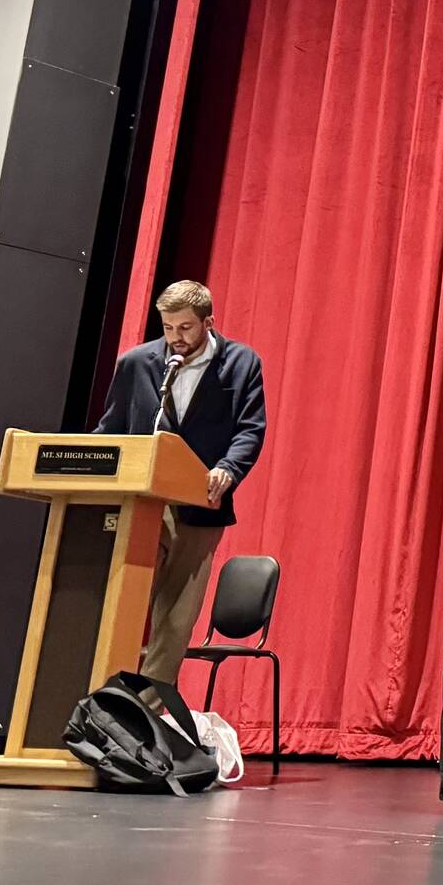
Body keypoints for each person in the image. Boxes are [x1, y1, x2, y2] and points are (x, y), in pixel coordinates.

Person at [93, 280, 267, 695]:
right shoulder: (137, 363)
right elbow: (111, 430)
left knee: (175, 618)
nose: (176, 338)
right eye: (168, 328)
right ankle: (102, 704)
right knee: (122, 606)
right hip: (143, 501)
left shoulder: (241, 363)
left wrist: (228, 468)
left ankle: (145, 720)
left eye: (186, 328)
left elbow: (250, 429)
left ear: (208, 321)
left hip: (201, 504)